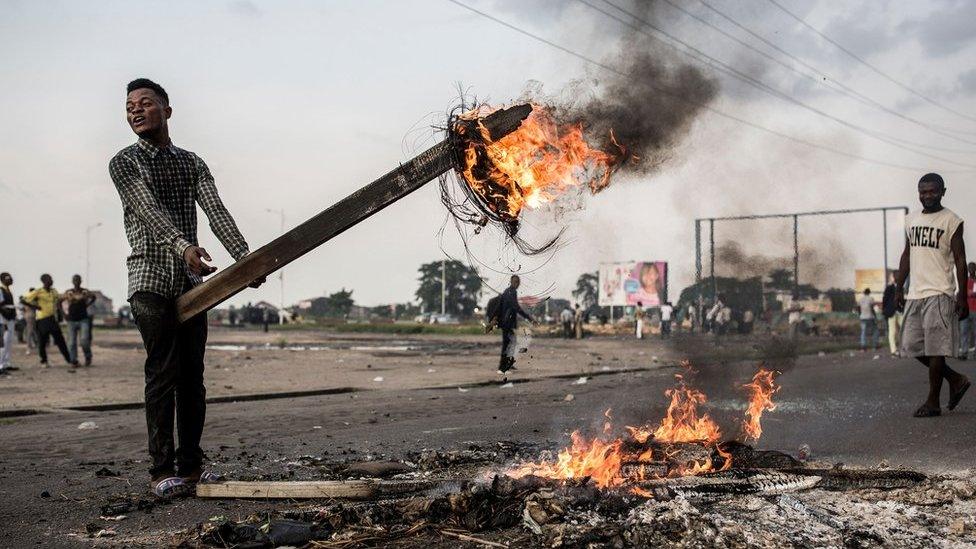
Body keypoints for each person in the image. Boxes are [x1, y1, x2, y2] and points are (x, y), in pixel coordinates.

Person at [110, 78, 263, 498]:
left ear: (167, 111)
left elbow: (215, 209)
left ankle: (191, 467)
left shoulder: (192, 162)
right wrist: (183, 247)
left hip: (192, 286)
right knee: (163, 373)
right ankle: (161, 472)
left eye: (145, 104)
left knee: (193, 379)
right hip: (149, 280)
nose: (136, 111)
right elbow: (148, 209)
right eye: (129, 107)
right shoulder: (124, 162)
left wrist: (246, 258)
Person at [895, 173, 970, 418]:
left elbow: (960, 259)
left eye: (933, 191)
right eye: (923, 191)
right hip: (915, 293)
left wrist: (961, 296)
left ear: (943, 191)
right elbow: (907, 254)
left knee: (936, 349)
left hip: (940, 292)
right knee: (911, 346)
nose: (927, 196)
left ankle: (933, 402)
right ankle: (956, 378)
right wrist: (898, 287)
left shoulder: (952, 220)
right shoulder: (910, 219)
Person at [21, 274, 75, 367]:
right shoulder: (38, 292)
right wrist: (35, 306)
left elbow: (59, 298)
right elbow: (23, 299)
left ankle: (69, 360)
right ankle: (44, 361)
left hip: (52, 318)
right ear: (44, 281)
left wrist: (67, 296)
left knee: (60, 340)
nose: (51, 281)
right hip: (42, 320)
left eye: (51, 279)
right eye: (49, 279)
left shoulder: (53, 291)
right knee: (42, 341)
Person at [497, 275, 534, 373]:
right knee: (508, 344)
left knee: (511, 343)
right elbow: (516, 307)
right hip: (508, 323)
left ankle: (508, 364)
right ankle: (502, 368)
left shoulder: (506, 291)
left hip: (506, 322)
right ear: (513, 282)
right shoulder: (512, 292)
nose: (518, 284)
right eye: (517, 282)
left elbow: (500, 307)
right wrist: (529, 318)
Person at [62, 274, 96, 367]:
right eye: (75, 280)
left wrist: (87, 304)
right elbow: (59, 301)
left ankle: (88, 357)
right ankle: (74, 361)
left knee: (84, 340)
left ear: (81, 281)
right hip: (71, 320)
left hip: (83, 319)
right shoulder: (69, 292)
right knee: (71, 342)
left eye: (78, 280)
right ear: (72, 281)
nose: (76, 281)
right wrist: (64, 314)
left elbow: (93, 297)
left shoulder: (84, 292)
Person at [958, 262, 976, 360]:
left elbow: (971, 293)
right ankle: (964, 352)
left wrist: (970, 293)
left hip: (975, 309)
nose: (971, 269)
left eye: (973, 267)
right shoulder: (965, 281)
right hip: (966, 309)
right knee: (964, 331)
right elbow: (961, 293)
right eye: (969, 267)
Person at [882, 274, 902, 357]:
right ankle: (894, 350)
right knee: (892, 331)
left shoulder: (901, 288)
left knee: (903, 330)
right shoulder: (889, 288)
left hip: (899, 311)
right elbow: (885, 300)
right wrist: (885, 311)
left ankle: (902, 348)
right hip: (892, 312)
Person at [1, 272, 16, 374]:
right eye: (8, 278)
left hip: (10, 317)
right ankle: (2, 363)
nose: (10, 279)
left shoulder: (8, 290)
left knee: (9, 340)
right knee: (4, 341)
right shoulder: (1, 290)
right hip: (4, 318)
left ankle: (7, 362)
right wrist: (5, 317)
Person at [21, 287, 37, 353]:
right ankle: (28, 347)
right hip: (32, 316)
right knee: (30, 331)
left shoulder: (27, 298)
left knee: (32, 331)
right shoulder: (32, 299)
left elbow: (23, 308)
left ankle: (32, 344)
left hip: (28, 315)